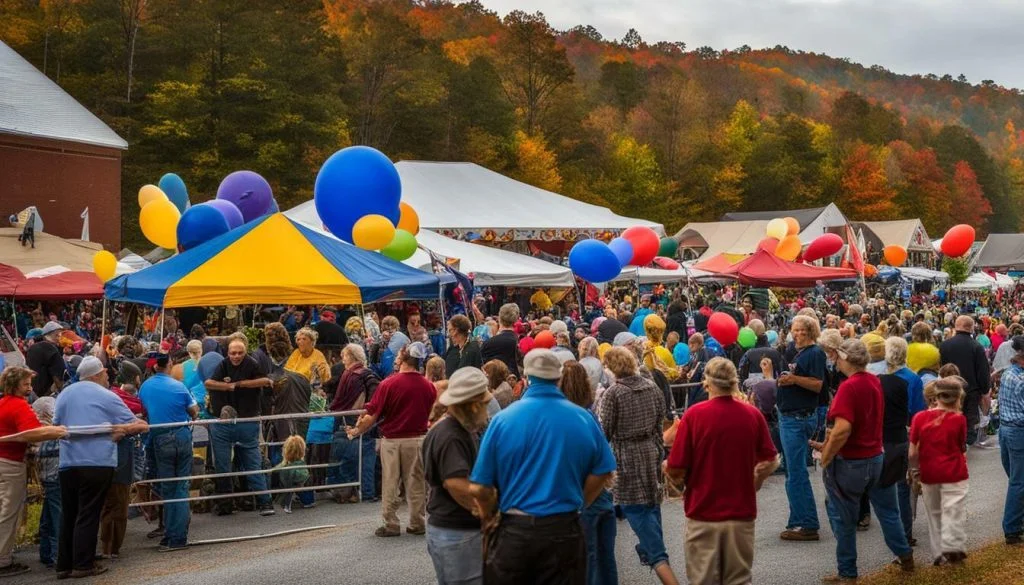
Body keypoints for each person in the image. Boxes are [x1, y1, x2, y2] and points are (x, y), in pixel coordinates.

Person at [470, 349, 616, 584]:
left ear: (526, 378)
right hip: (564, 526)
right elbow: (604, 470)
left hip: (515, 527)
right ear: (558, 378)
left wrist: (489, 516)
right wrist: (580, 500)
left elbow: (481, 486)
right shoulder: (582, 417)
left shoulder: (502, 420)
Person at [664, 358, 779, 585]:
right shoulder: (752, 415)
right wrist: (754, 481)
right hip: (741, 513)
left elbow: (677, 465)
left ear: (707, 383)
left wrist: (669, 472)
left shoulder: (694, 416)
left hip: (703, 512)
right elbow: (770, 460)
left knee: (703, 579)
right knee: (739, 580)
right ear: (733, 382)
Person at [810, 340, 914, 583]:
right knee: (888, 511)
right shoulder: (874, 381)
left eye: (836, 356)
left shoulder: (849, 386)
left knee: (842, 517)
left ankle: (847, 572)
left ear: (845, 358)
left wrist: (827, 455)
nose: (834, 359)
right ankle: (905, 555)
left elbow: (843, 428)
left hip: (851, 462)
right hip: (876, 456)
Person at [53, 357, 148, 578]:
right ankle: (83, 563)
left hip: (68, 462)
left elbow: (57, 424)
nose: (108, 377)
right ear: (96, 374)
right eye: (105, 373)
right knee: (89, 512)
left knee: (69, 513)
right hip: (97, 461)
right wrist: (121, 430)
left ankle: (64, 564)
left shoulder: (65, 394)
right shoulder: (107, 396)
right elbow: (138, 424)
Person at [600, 347, 680, 585]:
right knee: (652, 503)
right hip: (651, 449)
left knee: (634, 507)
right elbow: (660, 420)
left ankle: (655, 553)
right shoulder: (652, 386)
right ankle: (650, 546)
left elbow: (604, 430)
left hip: (626, 454)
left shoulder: (613, 393)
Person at [346, 342, 436, 537]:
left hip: (393, 441)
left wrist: (356, 431)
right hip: (418, 438)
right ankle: (417, 522)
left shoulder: (388, 384)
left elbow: (372, 415)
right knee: (417, 483)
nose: (395, 358)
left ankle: (391, 523)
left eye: (397, 356)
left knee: (391, 483)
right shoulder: (428, 386)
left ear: (404, 358)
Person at [422, 367, 493, 585]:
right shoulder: (451, 435)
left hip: (451, 529)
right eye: (484, 403)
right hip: (456, 529)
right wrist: (484, 509)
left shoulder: (454, 428)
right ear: (473, 404)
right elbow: (456, 483)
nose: (487, 408)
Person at [0, 368, 66, 577]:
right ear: (15, 385)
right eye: (26, 384)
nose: (30, 388)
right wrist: (60, 430)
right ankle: (3, 560)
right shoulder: (19, 406)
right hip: (10, 463)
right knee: (9, 511)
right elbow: (35, 433)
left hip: (6, 459)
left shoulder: (3, 403)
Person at [204, 339, 276, 516]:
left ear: (245, 352)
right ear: (227, 353)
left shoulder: (252, 363)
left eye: (239, 353)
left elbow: (265, 381)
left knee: (252, 463)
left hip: (246, 420)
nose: (236, 356)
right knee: (223, 466)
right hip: (224, 423)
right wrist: (229, 386)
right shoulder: (223, 364)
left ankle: (264, 502)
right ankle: (226, 504)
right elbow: (208, 383)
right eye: (233, 353)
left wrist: (239, 384)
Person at [560, 361, 617, 585]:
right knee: (605, 558)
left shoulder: (566, 418)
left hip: (583, 493)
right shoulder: (589, 415)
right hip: (602, 493)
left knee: (589, 558)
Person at [138, 352, 200, 552]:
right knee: (180, 487)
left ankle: (170, 534)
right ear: (168, 365)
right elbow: (194, 411)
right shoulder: (178, 386)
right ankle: (177, 536)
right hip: (181, 435)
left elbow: (145, 411)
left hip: (160, 437)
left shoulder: (144, 387)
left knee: (167, 487)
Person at [776, 314, 827, 541]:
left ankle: (807, 523)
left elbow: (817, 385)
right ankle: (797, 519)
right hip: (790, 415)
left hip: (798, 418)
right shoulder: (793, 351)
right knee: (792, 472)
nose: (796, 334)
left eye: (801, 331)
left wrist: (794, 380)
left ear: (811, 332)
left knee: (796, 473)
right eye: (794, 330)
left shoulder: (815, 353)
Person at [910, 378, 969, 566]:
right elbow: (961, 446)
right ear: (957, 398)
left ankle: (938, 553)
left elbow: (913, 452)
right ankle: (952, 545)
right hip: (954, 471)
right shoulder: (959, 419)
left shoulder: (919, 418)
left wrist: (914, 471)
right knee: (953, 509)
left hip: (929, 472)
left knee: (933, 513)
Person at [329, 344, 380, 504]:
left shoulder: (351, 374)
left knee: (347, 459)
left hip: (351, 421)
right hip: (365, 420)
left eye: (344, 356)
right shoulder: (366, 374)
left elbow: (340, 401)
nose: (342, 360)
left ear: (351, 357)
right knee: (366, 460)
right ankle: (367, 493)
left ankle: (349, 493)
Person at [940, 316, 990, 446]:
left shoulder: (945, 345)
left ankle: (954, 442)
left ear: (956, 326)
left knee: (951, 416)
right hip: (971, 390)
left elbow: (941, 368)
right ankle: (965, 445)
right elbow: (982, 371)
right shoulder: (976, 346)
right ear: (971, 327)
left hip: (949, 388)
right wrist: (985, 390)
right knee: (969, 420)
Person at [998, 335, 1024, 546]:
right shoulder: (1021, 379)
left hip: (1006, 430)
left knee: (1016, 480)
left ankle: (1016, 523)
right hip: (1018, 431)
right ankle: (1012, 529)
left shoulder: (1009, 373)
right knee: (1019, 482)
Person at [26, 321, 66, 397]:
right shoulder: (50, 348)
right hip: (46, 392)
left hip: (32, 391)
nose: (59, 338)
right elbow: (59, 376)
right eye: (57, 335)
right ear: (48, 336)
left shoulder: (32, 347)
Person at [481, 303, 521, 378]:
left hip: (495, 382)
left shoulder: (489, 343)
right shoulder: (517, 340)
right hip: (514, 380)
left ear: (500, 318)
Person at [274, 435, 310, 514]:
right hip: (302, 482)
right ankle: (308, 501)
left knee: (289, 488)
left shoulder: (287, 465)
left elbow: (276, 470)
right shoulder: (302, 463)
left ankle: (287, 505)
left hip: (290, 484)